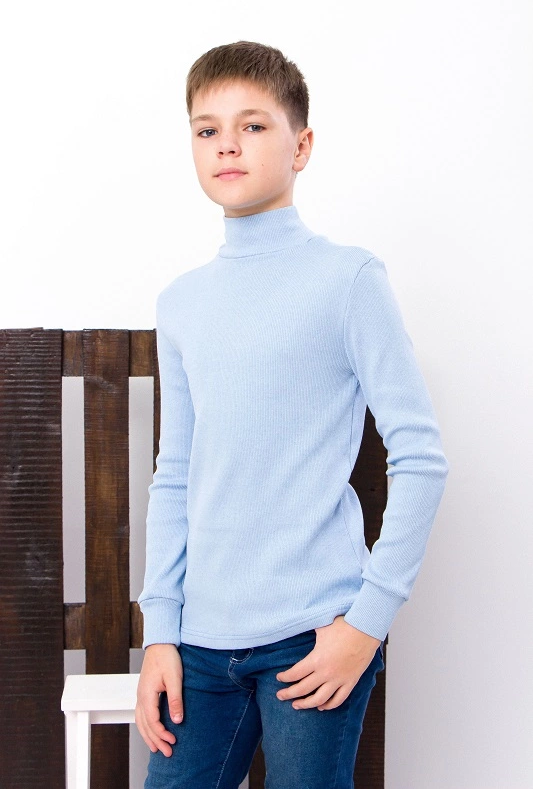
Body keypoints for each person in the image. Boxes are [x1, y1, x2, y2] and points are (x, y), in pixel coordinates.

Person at [135, 40, 449, 789]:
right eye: (207, 129)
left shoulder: (347, 279)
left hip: (313, 633)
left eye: (252, 125)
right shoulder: (181, 303)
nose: (227, 144)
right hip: (198, 642)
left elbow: (420, 457)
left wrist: (366, 622)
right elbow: (175, 474)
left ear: (301, 146)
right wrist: (160, 634)